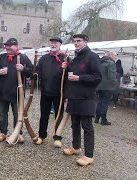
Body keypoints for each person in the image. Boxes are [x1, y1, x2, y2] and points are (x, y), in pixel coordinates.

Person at [62, 34, 102, 166]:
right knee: (75, 124)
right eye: (74, 41)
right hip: (74, 97)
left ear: (85, 42)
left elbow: (97, 78)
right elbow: (71, 75)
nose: (76, 43)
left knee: (87, 126)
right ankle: (76, 147)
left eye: (79, 41)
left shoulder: (93, 57)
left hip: (86, 97)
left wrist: (80, 78)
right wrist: (66, 67)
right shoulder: (76, 58)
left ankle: (89, 155)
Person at [0, 38, 33, 143]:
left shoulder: (23, 58)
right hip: (3, 91)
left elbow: (32, 72)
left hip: (17, 93)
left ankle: (18, 133)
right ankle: (3, 133)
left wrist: (23, 69)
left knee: (17, 114)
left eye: (10, 45)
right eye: (6, 45)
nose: (8, 47)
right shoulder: (1, 57)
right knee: (2, 114)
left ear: (16, 46)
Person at [35, 37, 67, 147]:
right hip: (45, 91)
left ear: (60, 44)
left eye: (56, 43)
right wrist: (33, 75)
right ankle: (41, 136)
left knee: (58, 116)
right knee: (44, 115)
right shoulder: (44, 58)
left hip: (59, 93)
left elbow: (69, 75)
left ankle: (57, 137)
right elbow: (37, 72)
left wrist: (65, 68)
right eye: (52, 43)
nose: (53, 44)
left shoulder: (65, 58)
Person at [95, 52, 117, 125]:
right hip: (107, 86)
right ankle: (103, 120)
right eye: (115, 55)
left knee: (100, 101)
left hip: (99, 85)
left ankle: (96, 118)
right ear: (110, 55)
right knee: (105, 103)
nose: (115, 57)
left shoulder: (101, 62)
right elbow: (111, 76)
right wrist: (115, 84)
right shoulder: (111, 63)